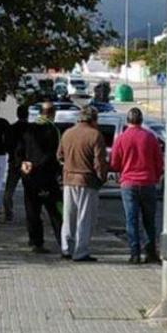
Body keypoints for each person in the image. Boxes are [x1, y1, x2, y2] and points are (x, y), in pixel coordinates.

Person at [110, 108, 163, 264]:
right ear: (141, 121)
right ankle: (150, 252)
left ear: (128, 121)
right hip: (148, 182)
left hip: (128, 184)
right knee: (149, 219)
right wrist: (155, 176)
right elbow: (159, 162)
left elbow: (114, 163)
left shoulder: (121, 138)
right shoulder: (150, 137)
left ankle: (135, 253)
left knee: (131, 220)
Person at [58, 106, 108, 262]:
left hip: (68, 180)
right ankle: (81, 251)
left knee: (68, 216)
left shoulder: (67, 133)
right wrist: (102, 178)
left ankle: (66, 248)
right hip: (87, 181)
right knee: (85, 218)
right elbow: (99, 161)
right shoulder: (95, 135)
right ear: (93, 119)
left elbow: (59, 156)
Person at [16, 101, 63, 253]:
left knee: (32, 210)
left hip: (29, 177)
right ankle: (63, 241)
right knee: (56, 210)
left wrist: (23, 164)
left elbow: (19, 150)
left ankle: (36, 241)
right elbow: (53, 154)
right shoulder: (52, 130)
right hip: (47, 177)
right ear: (52, 113)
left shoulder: (29, 129)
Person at [2, 105, 29, 222]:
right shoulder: (31, 129)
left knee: (9, 189)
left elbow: (6, 145)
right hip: (28, 162)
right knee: (30, 190)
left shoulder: (11, 129)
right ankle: (33, 212)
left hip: (14, 161)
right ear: (27, 115)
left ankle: (8, 212)